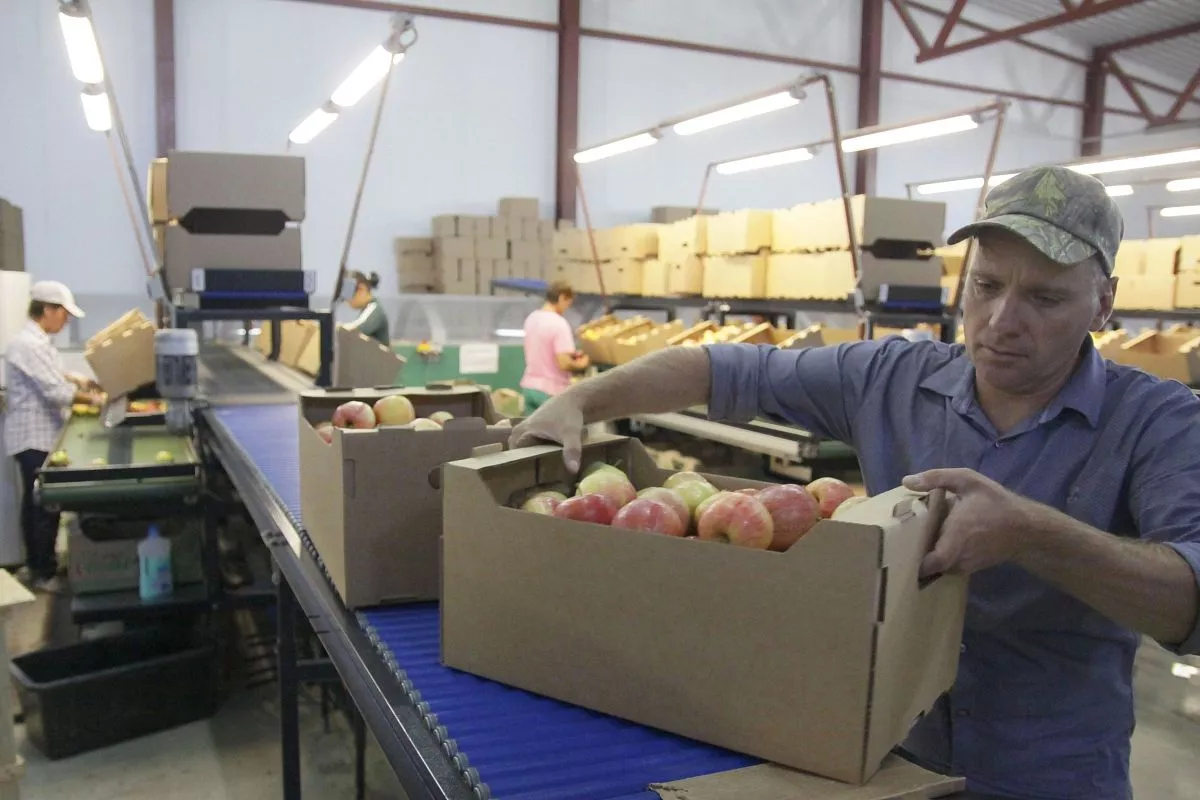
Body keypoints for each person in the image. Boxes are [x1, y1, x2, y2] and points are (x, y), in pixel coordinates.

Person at [510, 166, 1200, 800]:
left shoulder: (1157, 421)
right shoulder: (891, 379)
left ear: (1104, 303)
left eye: (1045, 297)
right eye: (986, 285)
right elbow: (719, 369)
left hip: (1050, 776)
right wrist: (579, 402)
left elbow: (1188, 603)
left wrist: (1033, 533)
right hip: (886, 757)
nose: (1000, 320)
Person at [4, 281, 102, 591]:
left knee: (38, 503)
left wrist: (79, 378)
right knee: (42, 504)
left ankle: (40, 563)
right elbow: (55, 392)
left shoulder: (39, 341)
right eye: (64, 313)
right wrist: (99, 400)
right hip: (33, 437)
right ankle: (42, 573)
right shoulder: (27, 344)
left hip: (42, 434)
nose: (67, 320)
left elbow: (56, 375)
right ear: (47, 310)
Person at [519, 282, 589, 413]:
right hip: (550, 392)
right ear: (562, 297)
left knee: (530, 432)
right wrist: (582, 364)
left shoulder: (532, 318)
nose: (567, 308)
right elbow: (563, 363)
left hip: (530, 387)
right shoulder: (559, 323)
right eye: (568, 303)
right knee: (554, 433)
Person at [342, 271, 390, 345]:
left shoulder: (374, 309)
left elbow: (355, 330)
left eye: (347, 295)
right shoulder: (366, 310)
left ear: (361, 289)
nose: (346, 301)